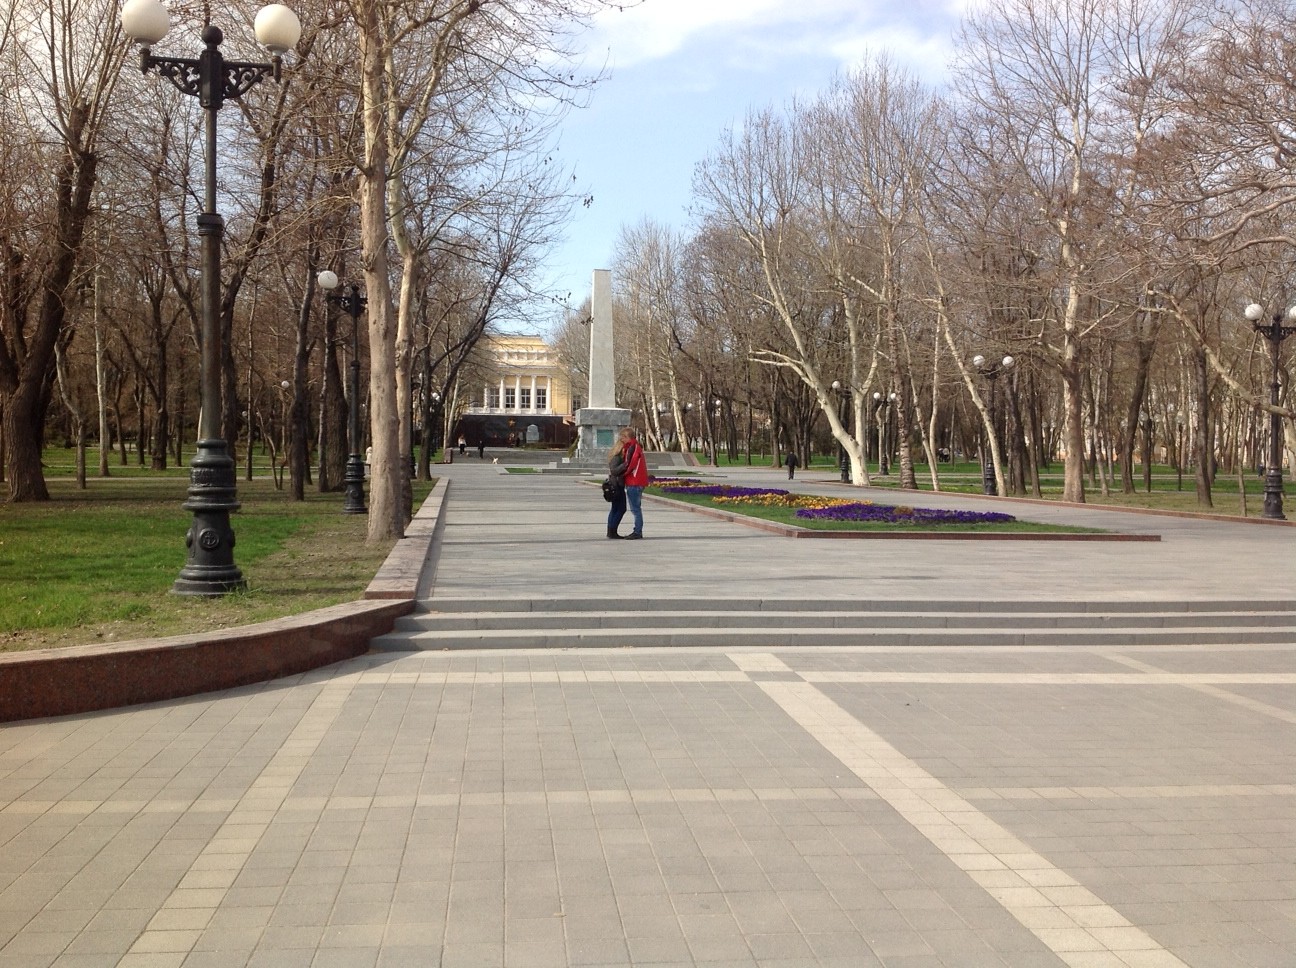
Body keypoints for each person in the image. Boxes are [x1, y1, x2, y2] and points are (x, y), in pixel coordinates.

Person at [621, 426, 649, 539]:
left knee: (635, 509)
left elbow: (630, 464)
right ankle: (638, 530)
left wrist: (621, 473)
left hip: (634, 481)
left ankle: (637, 531)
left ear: (627, 437)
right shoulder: (635, 447)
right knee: (636, 508)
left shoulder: (633, 447)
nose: (621, 440)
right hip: (637, 481)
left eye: (622, 437)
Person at [605, 432, 630, 539]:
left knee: (615, 508)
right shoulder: (617, 457)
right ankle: (612, 530)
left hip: (617, 484)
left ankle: (611, 531)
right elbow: (614, 470)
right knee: (621, 508)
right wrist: (624, 465)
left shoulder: (617, 456)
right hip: (616, 485)